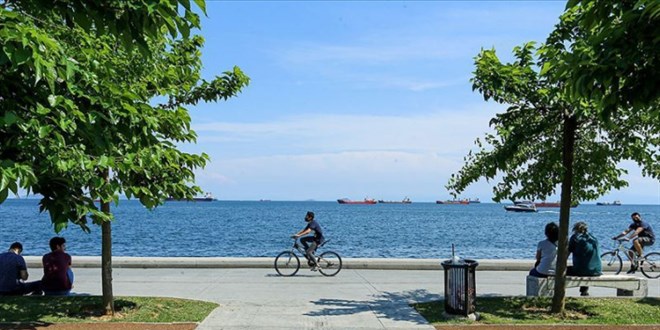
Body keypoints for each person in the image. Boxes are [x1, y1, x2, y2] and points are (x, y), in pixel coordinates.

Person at [567, 221, 602, 296]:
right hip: (597, 270)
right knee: (586, 266)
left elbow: (567, 253)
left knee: (565, 270)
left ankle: (558, 290)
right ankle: (584, 291)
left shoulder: (575, 238)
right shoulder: (593, 238)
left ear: (575, 229)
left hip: (581, 270)